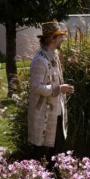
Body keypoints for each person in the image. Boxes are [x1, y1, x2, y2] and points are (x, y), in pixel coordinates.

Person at [28, 21, 74, 171]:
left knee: (57, 146)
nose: (62, 40)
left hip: (57, 111)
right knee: (42, 149)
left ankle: (55, 178)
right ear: (52, 39)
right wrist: (59, 88)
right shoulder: (40, 60)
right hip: (44, 113)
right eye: (60, 37)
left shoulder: (54, 56)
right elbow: (36, 87)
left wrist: (61, 88)